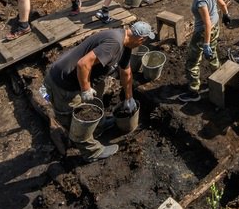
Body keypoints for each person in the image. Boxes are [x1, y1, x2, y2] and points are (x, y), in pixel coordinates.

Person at [43, 20, 155, 162]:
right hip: (63, 83)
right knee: (76, 120)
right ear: (140, 39)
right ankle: (91, 152)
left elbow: (126, 72)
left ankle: (99, 127)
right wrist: (86, 89)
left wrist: (129, 97)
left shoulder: (125, 44)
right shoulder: (114, 43)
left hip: (81, 77)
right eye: (144, 41)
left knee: (97, 97)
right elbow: (83, 64)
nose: (142, 44)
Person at [178, 0, 230, 102]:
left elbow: (206, 23)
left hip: (203, 32)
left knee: (192, 62)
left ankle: (194, 91)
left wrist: (205, 43)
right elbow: (222, 4)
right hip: (215, 27)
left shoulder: (200, 0)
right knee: (212, 54)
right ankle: (218, 77)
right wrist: (226, 15)